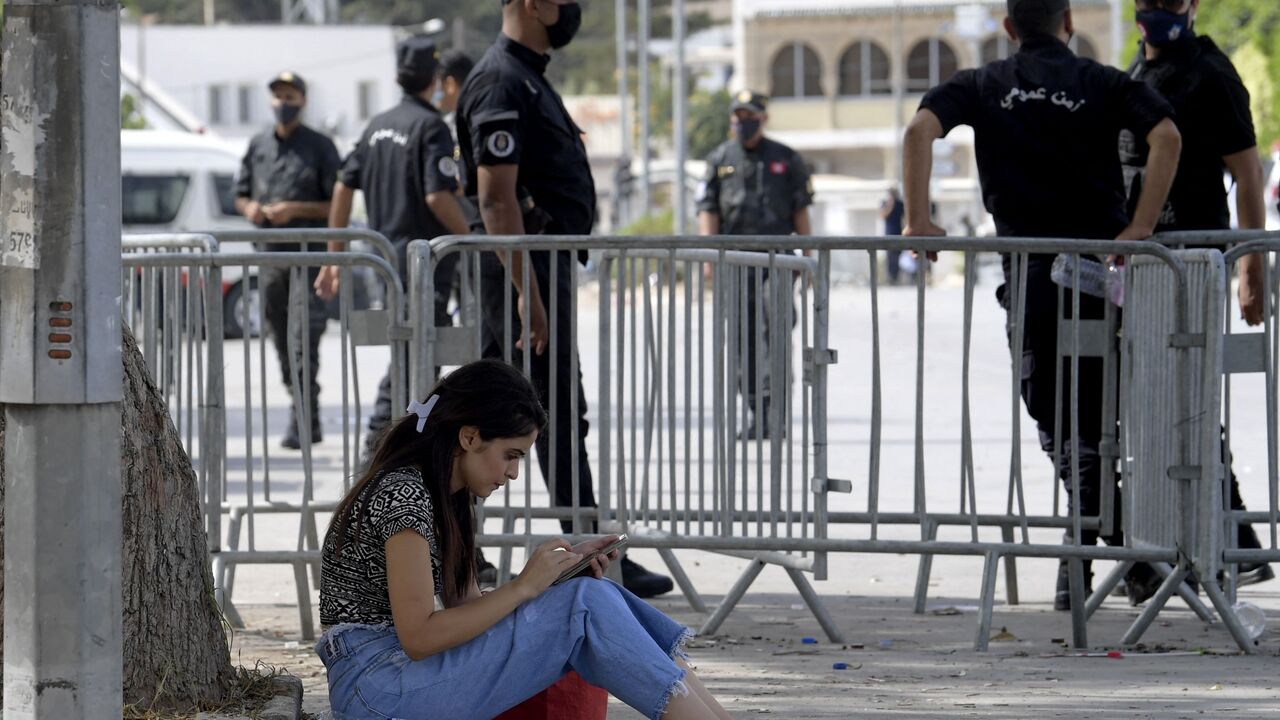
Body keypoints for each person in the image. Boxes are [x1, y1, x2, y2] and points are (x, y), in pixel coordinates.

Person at [902, 0, 1182, 611]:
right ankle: (1114, 558)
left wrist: (919, 219)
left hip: (1030, 272)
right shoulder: (1103, 81)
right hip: (1095, 272)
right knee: (1091, 414)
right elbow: (1167, 136)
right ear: (1069, 23)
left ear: (1008, 29)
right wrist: (1138, 227)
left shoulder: (983, 84)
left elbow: (918, 129)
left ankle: (1092, 558)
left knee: (1056, 416)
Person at [315, 360, 732, 720]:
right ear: (470, 437)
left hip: (397, 679)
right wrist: (523, 587)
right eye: (511, 455)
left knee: (591, 592)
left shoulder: (446, 495)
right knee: (585, 604)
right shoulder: (403, 497)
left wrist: (551, 586)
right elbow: (421, 637)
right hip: (375, 692)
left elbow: (466, 611)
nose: (513, 473)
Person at [457, 0, 673, 598]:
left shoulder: (528, 78)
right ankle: (587, 557)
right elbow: (496, 200)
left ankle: (582, 554)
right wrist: (530, 291)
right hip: (519, 274)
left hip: (533, 273)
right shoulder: (502, 79)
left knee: (528, 416)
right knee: (523, 417)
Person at [1119, 0, 1273, 600]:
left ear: (1193, 6)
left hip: (1193, 262)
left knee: (1185, 406)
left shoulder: (1211, 72)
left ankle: (1227, 543)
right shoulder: (1136, 72)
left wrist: (1251, 267)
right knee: (1154, 410)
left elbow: (1249, 174)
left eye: (1171, 0)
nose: (1160, 10)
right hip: (1146, 266)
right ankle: (1209, 546)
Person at [316, 38, 472, 456]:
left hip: (389, 265)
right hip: (424, 268)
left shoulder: (376, 126)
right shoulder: (430, 126)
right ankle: (380, 448)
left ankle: (393, 447)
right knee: (415, 363)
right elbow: (437, 196)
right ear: (437, 79)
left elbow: (342, 186)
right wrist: (473, 237)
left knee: (409, 359)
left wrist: (334, 257)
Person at [696, 90, 814, 439]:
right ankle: (756, 413)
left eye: (750, 117)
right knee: (743, 340)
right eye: (738, 117)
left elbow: (800, 210)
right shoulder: (719, 158)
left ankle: (775, 413)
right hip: (735, 262)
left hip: (777, 262)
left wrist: (808, 259)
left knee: (774, 333)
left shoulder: (787, 158)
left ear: (763, 118)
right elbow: (709, 209)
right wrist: (708, 258)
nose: (743, 123)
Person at [235, 71, 341, 450]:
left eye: (290, 95)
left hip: (307, 260)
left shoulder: (320, 147)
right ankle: (299, 410)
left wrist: (294, 209)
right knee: (280, 339)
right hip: (270, 261)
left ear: (303, 100)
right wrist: (251, 209)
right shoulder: (258, 144)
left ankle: (305, 418)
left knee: (303, 340)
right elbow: (241, 192)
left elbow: (337, 203)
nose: (283, 102)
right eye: (278, 96)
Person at [880, 187, 906, 285]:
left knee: (897, 256)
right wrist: (890, 205)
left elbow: (904, 219)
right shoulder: (884, 203)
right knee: (889, 257)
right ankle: (890, 277)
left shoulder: (900, 204)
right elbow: (883, 216)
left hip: (898, 233)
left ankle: (896, 277)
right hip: (888, 233)